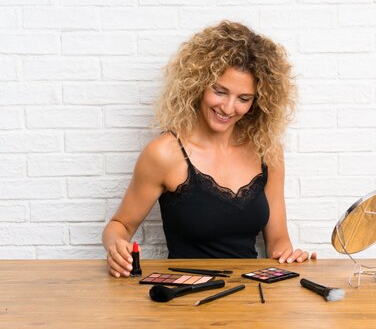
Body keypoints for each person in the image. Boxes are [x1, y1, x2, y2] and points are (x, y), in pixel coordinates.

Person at [102, 20, 316, 278]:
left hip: (252, 298)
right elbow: (119, 225)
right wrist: (117, 246)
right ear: (199, 83)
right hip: (185, 296)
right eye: (220, 91)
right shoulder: (165, 154)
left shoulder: (267, 151)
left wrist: (289, 256)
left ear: (257, 101)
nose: (228, 108)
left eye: (243, 99)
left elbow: (278, 240)